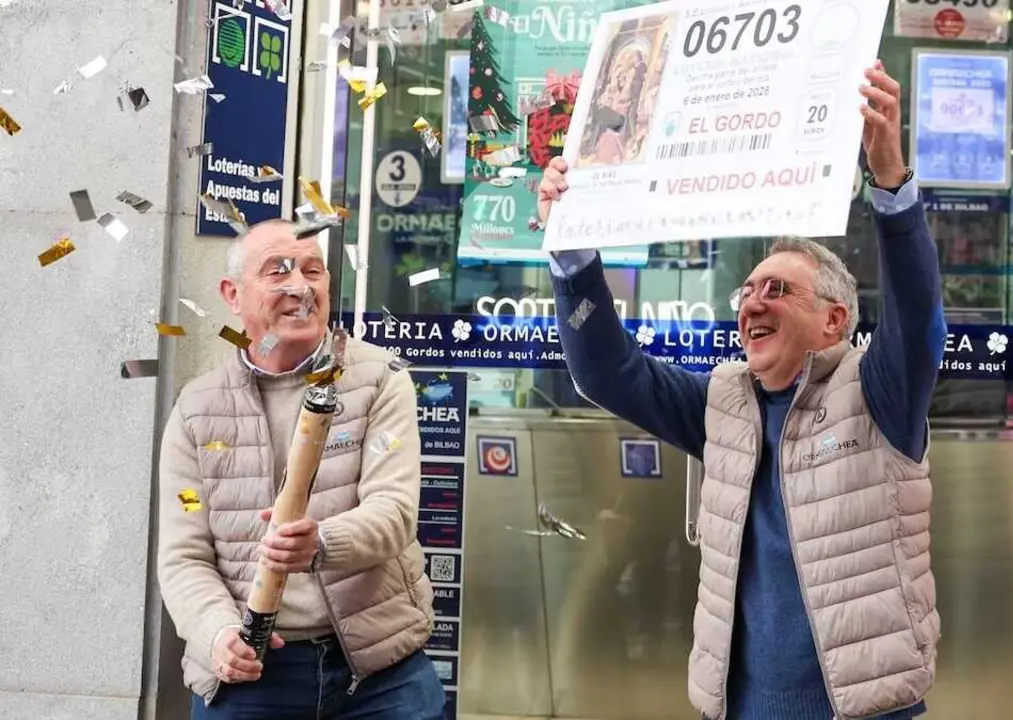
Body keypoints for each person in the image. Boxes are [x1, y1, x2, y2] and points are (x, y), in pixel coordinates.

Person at [537, 62, 945, 719]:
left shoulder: (879, 395)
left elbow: (920, 319)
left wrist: (892, 185)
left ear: (835, 320)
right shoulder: (722, 401)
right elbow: (605, 374)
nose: (753, 304)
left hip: (867, 710)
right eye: (747, 290)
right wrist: (572, 250)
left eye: (778, 290)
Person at [156, 219, 447, 719]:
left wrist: (321, 543)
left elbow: (395, 511)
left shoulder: (379, 379)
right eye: (278, 272)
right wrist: (218, 634)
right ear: (233, 293)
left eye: (314, 271)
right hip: (256, 674)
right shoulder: (196, 409)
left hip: (379, 669)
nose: (300, 287)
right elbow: (185, 557)